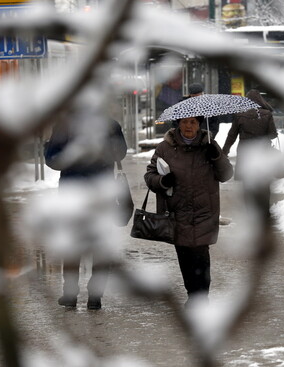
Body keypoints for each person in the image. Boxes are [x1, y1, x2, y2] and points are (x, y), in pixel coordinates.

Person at [144, 115, 233, 307]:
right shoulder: (165, 148)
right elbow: (150, 175)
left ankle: (201, 298)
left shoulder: (210, 144)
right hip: (177, 213)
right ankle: (193, 295)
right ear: (178, 123)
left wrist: (216, 156)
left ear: (199, 124)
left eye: (193, 122)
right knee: (185, 257)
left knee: (201, 257)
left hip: (204, 212)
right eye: (184, 122)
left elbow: (226, 174)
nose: (188, 126)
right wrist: (161, 181)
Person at [45, 114, 127, 310]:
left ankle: (72, 294)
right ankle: (94, 296)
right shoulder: (110, 124)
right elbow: (120, 154)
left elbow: (52, 160)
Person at [222, 89, 278, 181]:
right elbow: (273, 135)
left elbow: (232, 135)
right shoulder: (267, 114)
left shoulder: (239, 115)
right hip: (263, 151)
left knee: (247, 181)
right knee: (263, 180)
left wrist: (225, 151)